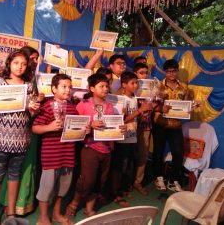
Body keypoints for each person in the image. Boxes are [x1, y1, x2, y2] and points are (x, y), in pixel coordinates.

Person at [0, 50, 40, 225]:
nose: (20, 67)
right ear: (9, 63)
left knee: (15, 176)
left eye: (23, 64)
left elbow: (30, 114)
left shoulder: (29, 85)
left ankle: (11, 213)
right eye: (16, 63)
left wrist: (34, 109)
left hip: (21, 139)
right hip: (0, 138)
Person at [66, 74, 124, 218]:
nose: (105, 89)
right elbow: (75, 126)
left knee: (100, 180)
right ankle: (74, 203)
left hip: (107, 149)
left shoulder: (110, 106)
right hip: (89, 148)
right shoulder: (83, 105)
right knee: (87, 180)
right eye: (101, 86)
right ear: (92, 88)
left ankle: (89, 208)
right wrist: (90, 126)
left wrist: (121, 129)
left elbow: (113, 126)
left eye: (106, 86)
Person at [33, 74, 84, 225]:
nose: (68, 90)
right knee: (46, 188)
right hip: (51, 156)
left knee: (63, 188)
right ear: (54, 89)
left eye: (70, 87)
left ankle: (56, 214)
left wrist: (84, 129)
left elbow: (76, 129)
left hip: (67, 155)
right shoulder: (47, 106)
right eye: (64, 86)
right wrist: (49, 127)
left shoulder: (72, 108)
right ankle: (43, 218)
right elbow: (35, 128)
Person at [0, 46, 44, 215]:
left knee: (28, 167)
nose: (34, 62)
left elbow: (34, 108)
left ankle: (23, 203)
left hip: (31, 128)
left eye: (36, 59)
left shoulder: (34, 80)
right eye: (31, 58)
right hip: (11, 131)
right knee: (11, 168)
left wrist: (37, 103)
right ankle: (7, 203)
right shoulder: (15, 81)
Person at [110, 71, 152, 207]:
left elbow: (133, 118)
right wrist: (139, 111)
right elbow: (122, 119)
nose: (135, 86)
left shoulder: (134, 98)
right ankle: (115, 193)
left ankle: (122, 189)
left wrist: (141, 114)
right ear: (124, 84)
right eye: (132, 83)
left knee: (127, 164)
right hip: (121, 138)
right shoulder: (120, 99)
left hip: (132, 136)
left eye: (136, 83)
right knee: (118, 166)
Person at [153, 59, 189, 192]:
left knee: (178, 153)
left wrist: (189, 109)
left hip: (176, 125)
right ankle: (159, 177)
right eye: (168, 71)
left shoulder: (184, 87)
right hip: (160, 123)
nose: (171, 74)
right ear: (165, 72)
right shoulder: (158, 86)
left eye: (174, 71)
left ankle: (173, 181)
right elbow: (153, 105)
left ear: (177, 71)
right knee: (158, 152)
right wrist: (160, 108)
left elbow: (186, 104)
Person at [132, 63, 156, 195]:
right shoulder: (131, 88)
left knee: (143, 155)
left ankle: (138, 181)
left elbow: (154, 104)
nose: (144, 75)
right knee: (129, 155)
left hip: (146, 126)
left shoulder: (151, 88)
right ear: (135, 73)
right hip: (132, 126)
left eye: (146, 72)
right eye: (141, 72)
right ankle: (127, 183)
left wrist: (155, 100)